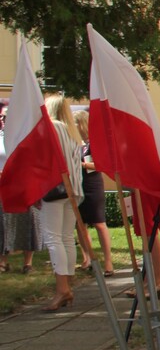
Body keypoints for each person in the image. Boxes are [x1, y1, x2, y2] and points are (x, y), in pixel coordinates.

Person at [40, 94, 84, 311]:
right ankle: (67, 283)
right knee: (66, 236)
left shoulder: (53, 127)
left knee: (53, 237)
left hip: (55, 188)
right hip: (72, 189)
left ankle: (62, 288)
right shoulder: (71, 131)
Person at [0, 104, 43, 274]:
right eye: (2, 117)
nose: (3, 120)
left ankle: (28, 262)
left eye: (6, 117)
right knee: (2, 221)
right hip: (4, 186)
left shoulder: (28, 137)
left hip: (25, 184)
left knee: (29, 221)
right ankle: (3, 261)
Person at [73, 110, 114, 277]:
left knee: (98, 222)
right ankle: (88, 258)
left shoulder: (94, 142)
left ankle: (108, 262)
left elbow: (101, 165)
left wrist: (82, 165)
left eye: (75, 123)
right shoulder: (75, 143)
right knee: (80, 224)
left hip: (92, 185)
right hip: (77, 184)